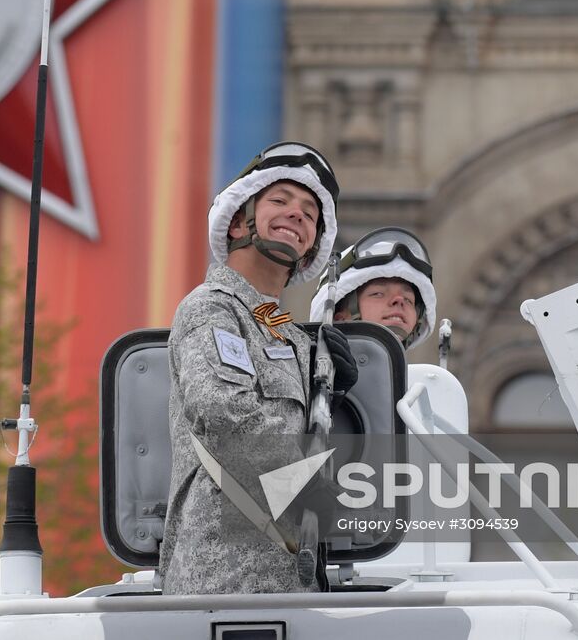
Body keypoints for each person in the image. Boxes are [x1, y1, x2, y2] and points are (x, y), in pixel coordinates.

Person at [159, 142, 359, 595]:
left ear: (311, 249)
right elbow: (221, 411)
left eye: (310, 212)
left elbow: (307, 421)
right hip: (222, 578)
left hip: (290, 581)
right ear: (237, 223)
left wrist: (330, 381)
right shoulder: (211, 309)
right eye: (280, 200)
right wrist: (302, 478)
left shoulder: (280, 327)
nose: (297, 214)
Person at [309, 226, 436, 355]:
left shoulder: (426, 375)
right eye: (378, 294)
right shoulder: (300, 373)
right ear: (340, 320)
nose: (398, 300)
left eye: (408, 300)